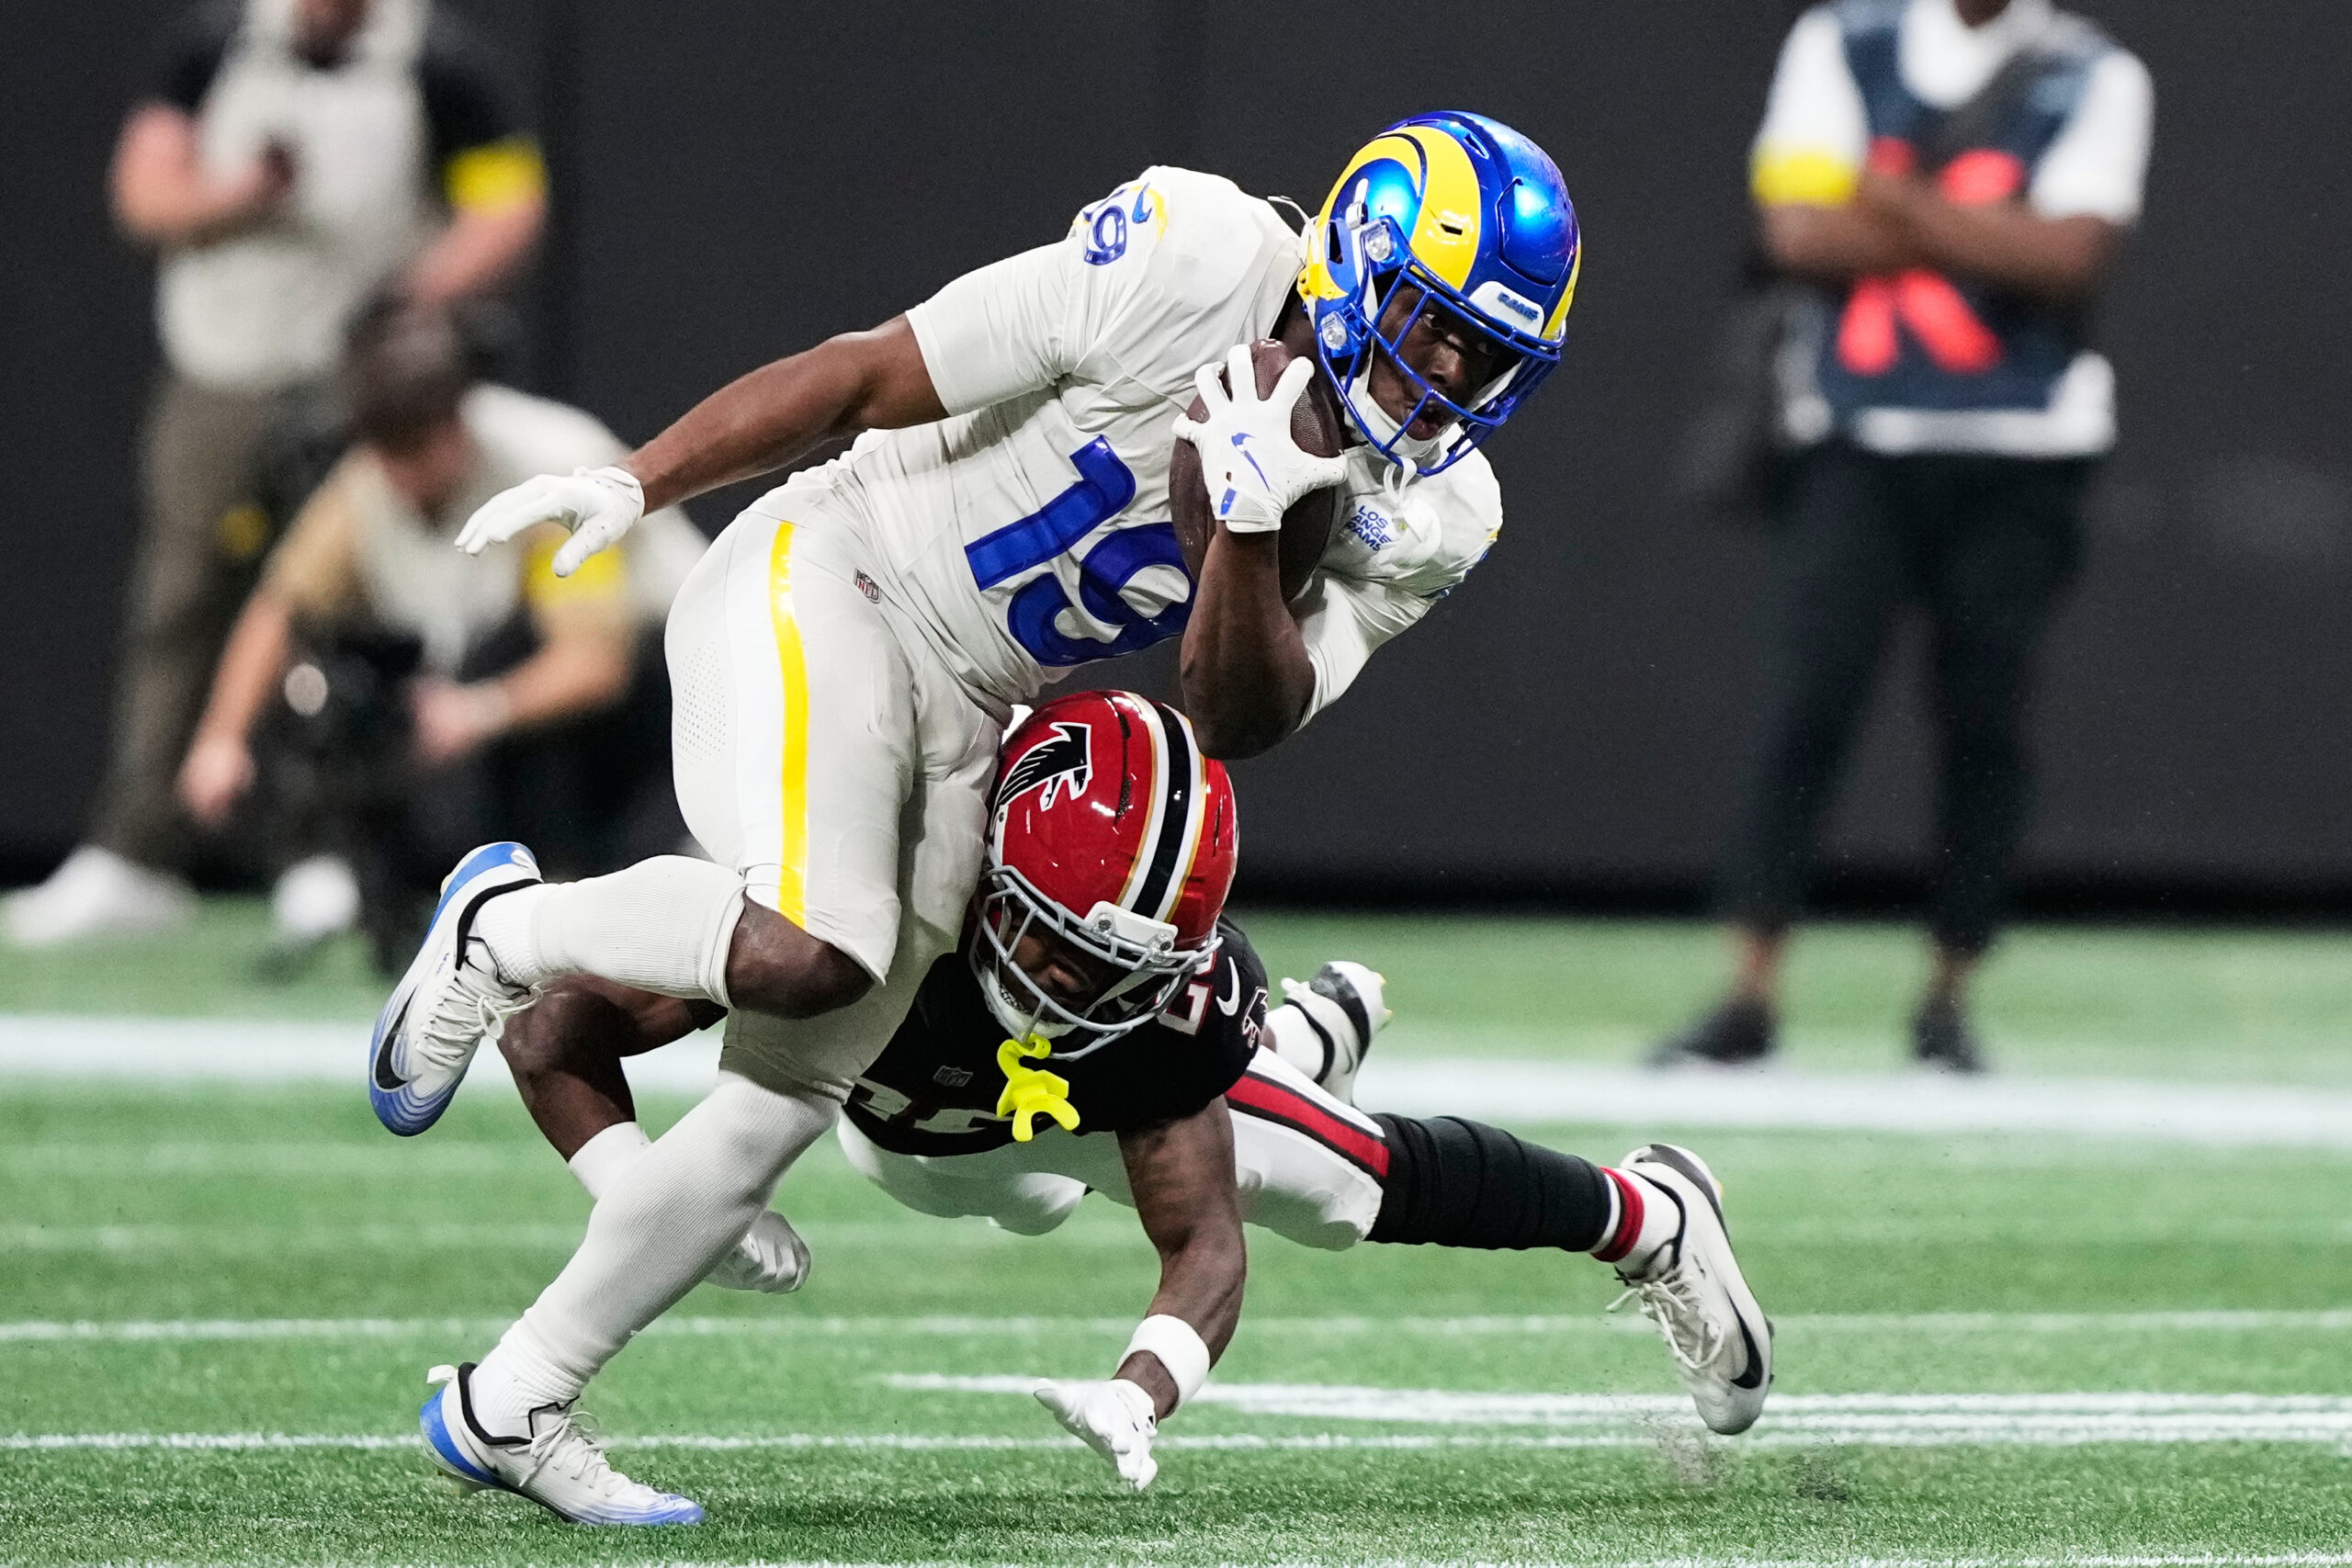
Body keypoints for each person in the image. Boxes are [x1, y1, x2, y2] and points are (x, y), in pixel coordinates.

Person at [372, 115, 1583, 1525]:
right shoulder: (1191, 255)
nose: (1450, 381)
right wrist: (643, 479)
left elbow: (1236, 712)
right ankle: (503, 922)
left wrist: (1253, 528)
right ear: (1363, 258)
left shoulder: (1439, 508)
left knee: (781, 1103)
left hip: (971, 704)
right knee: (820, 944)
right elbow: (873, 374)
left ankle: (512, 1399)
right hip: (840, 566)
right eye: (1437, 331)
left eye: (1487, 358)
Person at [447, 693, 1771, 1508]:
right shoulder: (869, 906)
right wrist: (646, 1197)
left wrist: (1141, 1387)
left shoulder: (1155, 1011)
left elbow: (1202, 1243)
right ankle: (1305, 1043)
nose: (1078, 982)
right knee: (989, 1178)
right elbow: (554, 1023)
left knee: (1333, 1185)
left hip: (1055, 1114)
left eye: (1119, 967)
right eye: (1062, 943)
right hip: (904, 1128)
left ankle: (1649, 1212)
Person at [1655, 0, 2153, 1073]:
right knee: (1805, 704)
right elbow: (1795, 232)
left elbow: (2066, 262)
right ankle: (1748, 990)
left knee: (1985, 718)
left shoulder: (2092, 72)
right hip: (1855, 433)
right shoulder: (1841, 40)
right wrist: (1987, 233)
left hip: (2026, 445)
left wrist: (1881, 196)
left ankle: (1948, 992)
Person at [5, 0, 546, 948]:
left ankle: (327, 853)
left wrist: (408, 297)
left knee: (339, 617)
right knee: (180, 597)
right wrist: (240, 196)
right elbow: (142, 193)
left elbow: (511, 203)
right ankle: (138, 847)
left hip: (348, 386)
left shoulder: (435, 56)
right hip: (221, 368)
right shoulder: (214, 45)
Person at [175, 302, 707, 967]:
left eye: (413, 450)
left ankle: (577, 901)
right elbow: (282, 606)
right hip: (564, 679)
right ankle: (335, 871)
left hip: (685, 687)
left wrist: (474, 712)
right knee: (334, 683)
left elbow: (596, 663)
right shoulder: (369, 481)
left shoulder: (555, 469)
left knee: (513, 685)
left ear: (456, 423)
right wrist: (221, 739)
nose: (400, 477)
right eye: (385, 452)